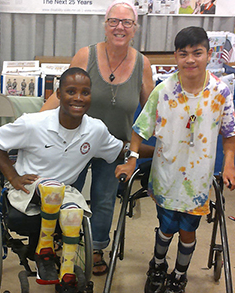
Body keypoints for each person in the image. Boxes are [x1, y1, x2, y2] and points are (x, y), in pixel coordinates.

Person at [115, 26, 235, 293]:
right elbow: (139, 129)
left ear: (209, 55)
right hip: (166, 176)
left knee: (187, 231)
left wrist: (229, 165)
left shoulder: (220, 92)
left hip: (198, 181)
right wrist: (132, 159)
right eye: (184, 54)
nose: (191, 60)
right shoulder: (163, 91)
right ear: (176, 57)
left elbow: (229, 133)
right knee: (167, 228)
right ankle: (158, 266)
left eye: (198, 53)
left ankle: (179, 276)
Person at [0, 68, 129, 293]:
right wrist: (12, 176)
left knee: (74, 213)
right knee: (52, 188)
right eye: (71, 91)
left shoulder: (95, 130)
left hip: (63, 192)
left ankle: (66, 278)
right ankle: (44, 250)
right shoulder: (33, 123)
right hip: (27, 190)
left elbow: (121, 148)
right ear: (58, 94)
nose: (78, 98)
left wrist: (161, 149)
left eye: (85, 92)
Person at [40, 0, 154, 276]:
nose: (120, 27)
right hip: (75, 142)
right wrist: (35, 124)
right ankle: (57, 242)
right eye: (114, 21)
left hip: (114, 147)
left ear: (135, 29)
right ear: (105, 25)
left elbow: (153, 110)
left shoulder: (142, 64)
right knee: (66, 193)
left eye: (127, 22)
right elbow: (61, 94)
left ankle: (96, 248)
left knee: (103, 198)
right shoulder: (86, 55)